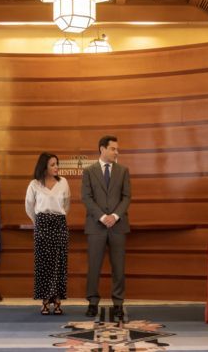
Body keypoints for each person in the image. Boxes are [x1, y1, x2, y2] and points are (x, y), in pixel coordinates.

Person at [81, 135, 131, 318]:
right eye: (113, 149)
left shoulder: (123, 170)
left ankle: (118, 303)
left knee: (119, 267)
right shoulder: (89, 171)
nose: (117, 152)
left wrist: (115, 216)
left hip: (118, 226)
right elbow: (86, 197)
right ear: (102, 149)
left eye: (117, 149)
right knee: (94, 266)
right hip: (96, 226)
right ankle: (92, 302)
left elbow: (127, 197)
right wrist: (102, 217)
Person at [25, 152, 71, 315]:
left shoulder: (63, 182)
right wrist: (38, 222)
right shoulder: (34, 184)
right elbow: (29, 207)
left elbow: (66, 205)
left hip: (59, 224)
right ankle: (45, 300)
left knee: (58, 263)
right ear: (44, 167)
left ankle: (57, 299)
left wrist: (57, 217)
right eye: (53, 164)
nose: (56, 167)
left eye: (57, 164)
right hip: (42, 225)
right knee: (44, 264)